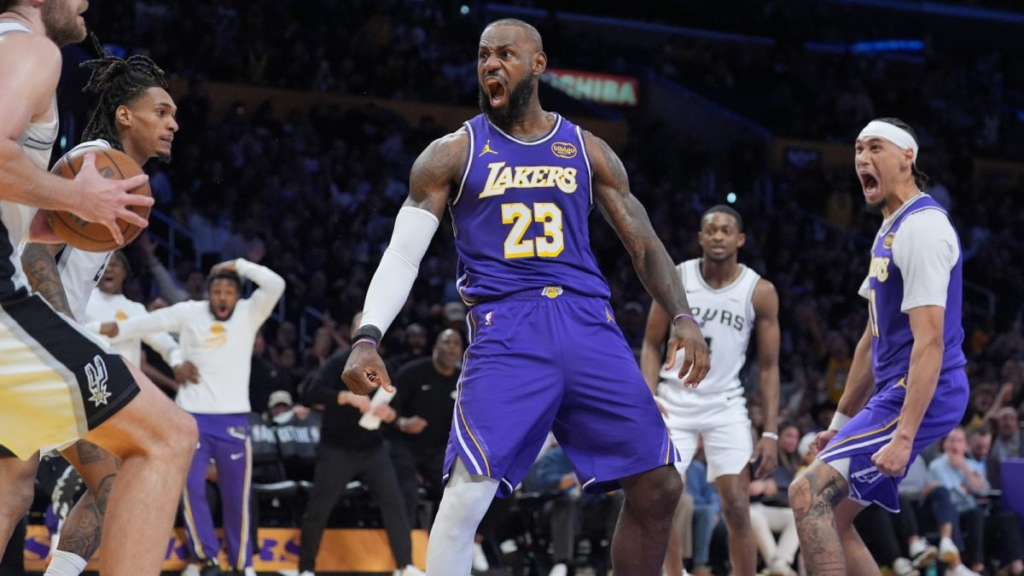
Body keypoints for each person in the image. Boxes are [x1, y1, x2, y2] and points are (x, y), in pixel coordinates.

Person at [341, 18, 709, 576]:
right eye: (483, 55)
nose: (491, 64)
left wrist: (682, 314)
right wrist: (368, 336)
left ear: (538, 65)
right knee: (467, 496)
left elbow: (645, 244)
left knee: (659, 486)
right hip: (508, 328)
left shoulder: (586, 148)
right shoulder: (452, 153)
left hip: (589, 323)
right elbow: (402, 255)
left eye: (505, 54)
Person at [0, 3, 198, 575]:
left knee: (13, 485)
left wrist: (48, 217)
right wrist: (74, 198)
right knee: (161, 440)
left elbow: (27, 233)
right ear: (124, 116)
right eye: (161, 110)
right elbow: (34, 256)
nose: (173, 123)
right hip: (23, 322)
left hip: (26, 330)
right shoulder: (92, 159)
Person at [789, 118, 969, 576]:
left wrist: (904, 436)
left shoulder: (923, 227)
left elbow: (930, 341)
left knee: (807, 494)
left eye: (874, 148)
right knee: (832, 514)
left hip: (924, 387)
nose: (862, 159)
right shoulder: (890, 227)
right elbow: (872, 339)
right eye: (857, 150)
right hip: (897, 387)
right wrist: (840, 422)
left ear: (908, 157)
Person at [94, 258, 284, 576]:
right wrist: (109, 329)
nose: (223, 297)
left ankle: (242, 564)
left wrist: (239, 264)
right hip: (192, 417)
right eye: (217, 291)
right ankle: (206, 559)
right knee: (191, 489)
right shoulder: (190, 312)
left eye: (229, 292)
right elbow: (148, 323)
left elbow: (276, 284)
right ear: (208, 294)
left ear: (237, 296)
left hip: (233, 418)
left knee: (237, 495)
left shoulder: (249, 313)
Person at [641, 204, 781, 576]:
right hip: (674, 401)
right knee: (663, 500)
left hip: (725, 403)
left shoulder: (760, 291)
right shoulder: (676, 277)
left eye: (726, 230)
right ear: (701, 237)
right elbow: (651, 344)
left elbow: (769, 367)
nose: (718, 236)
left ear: (740, 239)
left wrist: (770, 432)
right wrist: (648, 398)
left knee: (737, 506)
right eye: (711, 230)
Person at [300, 313, 423, 576]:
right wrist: (347, 397)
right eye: (360, 329)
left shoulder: (385, 367)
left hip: (373, 448)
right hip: (337, 449)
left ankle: (405, 565)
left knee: (395, 503)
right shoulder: (338, 361)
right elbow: (312, 393)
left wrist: (390, 416)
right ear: (354, 333)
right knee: (319, 508)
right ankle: (305, 568)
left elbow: (395, 410)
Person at [391, 329, 464, 526]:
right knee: (408, 492)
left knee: (455, 493)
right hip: (405, 445)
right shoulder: (411, 373)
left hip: (439, 450)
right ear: (434, 348)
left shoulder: (464, 381)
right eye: (447, 342)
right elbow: (385, 410)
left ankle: (439, 539)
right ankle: (404, 542)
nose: (451, 347)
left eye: (456, 343)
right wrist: (402, 423)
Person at [929, 427, 1024, 575]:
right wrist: (968, 487)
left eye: (959, 441)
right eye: (951, 440)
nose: (955, 445)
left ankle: (1017, 567)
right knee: (976, 513)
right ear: (944, 444)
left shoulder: (970, 465)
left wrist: (964, 469)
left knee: (1009, 517)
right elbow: (950, 496)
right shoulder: (936, 466)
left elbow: (984, 490)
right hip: (953, 517)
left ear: (966, 445)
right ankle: (977, 566)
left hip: (975, 516)